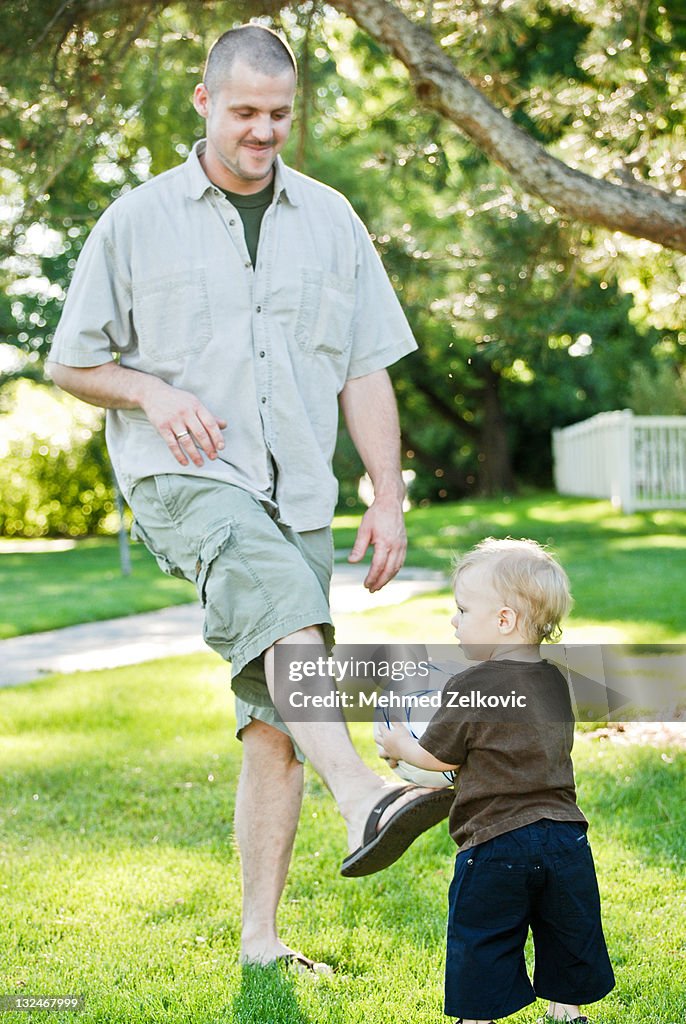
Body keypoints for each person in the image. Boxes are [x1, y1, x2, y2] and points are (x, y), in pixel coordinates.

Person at [47, 24, 454, 972]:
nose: (263, 132)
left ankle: (261, 945)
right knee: (282, 616)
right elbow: (71, 360)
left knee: (278, 717)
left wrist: (387, 497)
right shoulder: (137, 220)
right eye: (244, 113)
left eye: (279, 114)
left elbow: (364, 370)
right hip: (186, 479)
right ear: (203, 104)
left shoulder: (332, 220)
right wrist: (150, 389)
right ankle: (364, 795)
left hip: (299, 491)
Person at [377, 538, 614, 1024]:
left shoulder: (470, 684)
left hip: (494, 842)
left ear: (503, 621)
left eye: (463, 610)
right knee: (564, 928)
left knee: (481, 936)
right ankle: (566, 1011)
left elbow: (435, 756)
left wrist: (401, 746)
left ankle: (478, 1018)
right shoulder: (555, 680)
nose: (454, 621)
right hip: (565, 837)